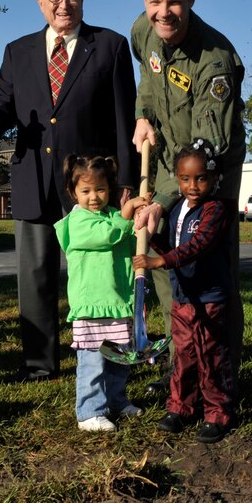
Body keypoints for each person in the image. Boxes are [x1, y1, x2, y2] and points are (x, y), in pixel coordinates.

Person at [0, 0, 137, 381]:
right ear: (40, 2)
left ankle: (106, 357)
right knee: (35, 278)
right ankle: (39, 364)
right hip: (34, 181)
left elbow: (124, 118)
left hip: (91, 186)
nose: (64, 5)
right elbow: (3, 108)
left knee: (100, 278)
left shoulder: (110, 46)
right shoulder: (18, 51)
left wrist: (128, 184)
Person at [130, 0, 246, 394]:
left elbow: (204, 149)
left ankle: (223, 373)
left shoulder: (215, 60)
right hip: (163, 164)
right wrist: (142, 114)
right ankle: (184, 364)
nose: (164, 12)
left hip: (208, 174)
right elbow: (147, 80)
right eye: (155, 1)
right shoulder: (143, 31)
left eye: (174, 1)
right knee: (164, 265)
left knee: (213, 269)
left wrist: (161, 200)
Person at [134, 141, 236, 443]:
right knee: (184, 357)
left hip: (209, 300)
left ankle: (218, 413)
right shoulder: (178, 208)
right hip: (183, 299)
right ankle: (181, 407)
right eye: (185, 179)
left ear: (214, 178)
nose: (193, 186)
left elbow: (197, 247)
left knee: (211, 358)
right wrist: (149, 240)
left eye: (201, 178)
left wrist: (160, 261)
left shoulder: (215, 211)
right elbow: (174, 246)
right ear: (177, 179)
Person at [54, 154, 147, 432]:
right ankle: (90, 411)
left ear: (111, 189)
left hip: (118, 301)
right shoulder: (77, 221)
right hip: (92, 304)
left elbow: (126, 240)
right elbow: (106, 235)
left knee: (120, 359)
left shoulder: (112, 217)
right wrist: (128, 214)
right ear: (73, 193)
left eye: (101, 189)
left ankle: (116, 401)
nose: (93, 197)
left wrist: (139, 228)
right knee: (93, 360)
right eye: (85, 191)